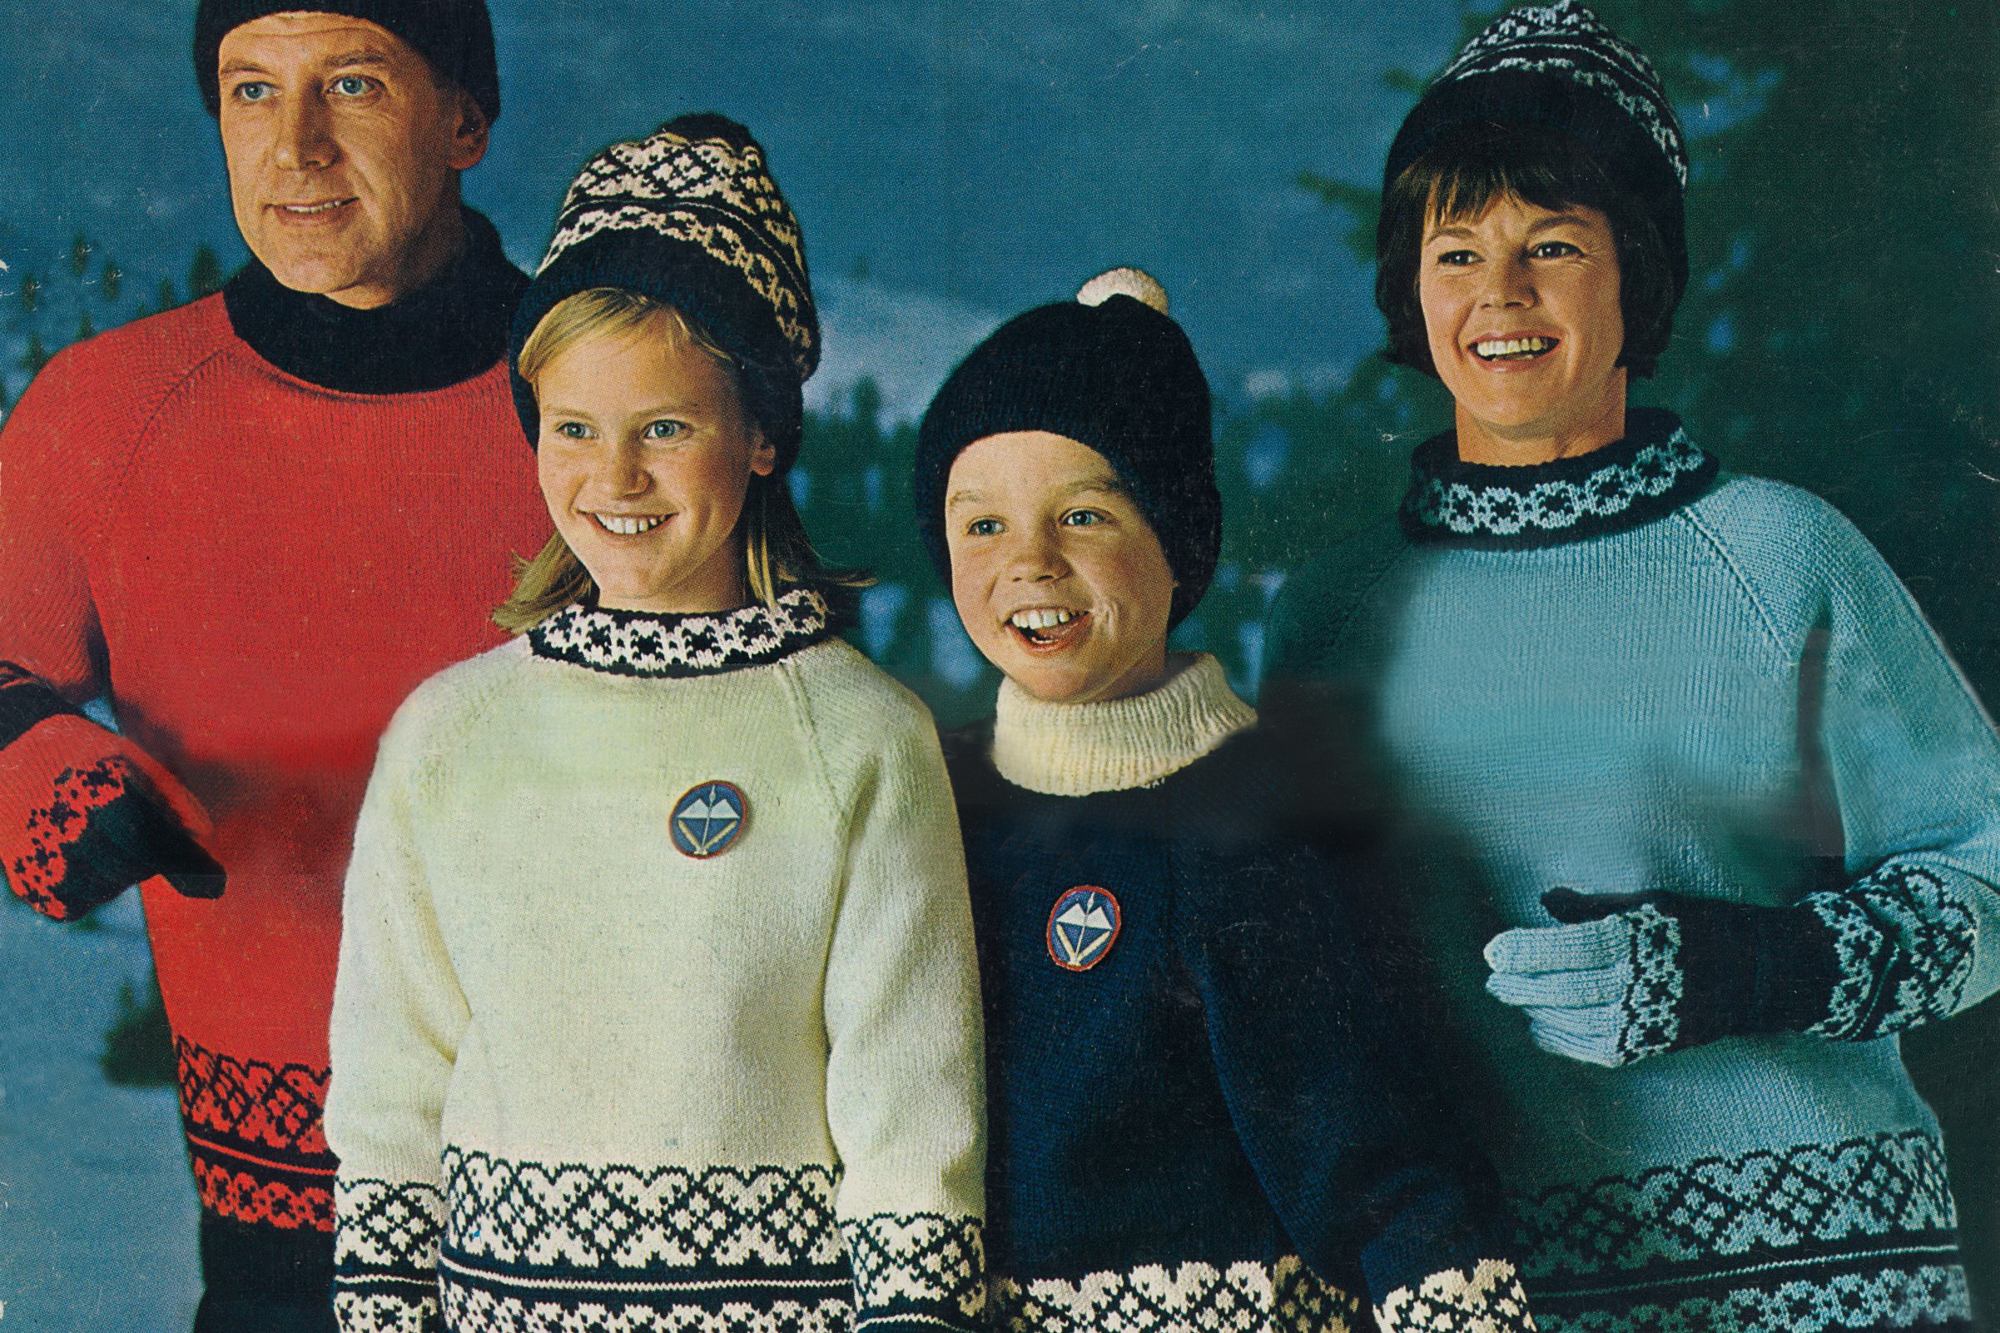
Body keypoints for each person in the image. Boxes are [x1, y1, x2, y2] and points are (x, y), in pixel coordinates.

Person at [1261, 5, 2000, 1332]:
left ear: (1635, 275)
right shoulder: (1327, 615)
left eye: (1554, 245)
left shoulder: (1778, 552)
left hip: (1827, 1282)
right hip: (1500, 1297)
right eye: (1457, 250)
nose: (1501, 294)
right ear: (1408, 286)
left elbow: (1988, 867)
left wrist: (1749, 970)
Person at [323, 114, 987, 1333]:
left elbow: (909, 1099)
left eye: (665, 429)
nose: (613, 477)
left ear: (764, 436)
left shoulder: (858, 738)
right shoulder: (450, 732)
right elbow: (390, 1079)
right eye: (573, 428)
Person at [0, 3, 545, 1327]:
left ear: (465, 120)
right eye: (251, 91)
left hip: (598, 1177)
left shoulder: (604, 405)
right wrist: (44, 772)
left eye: (351, 85)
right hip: (275, 1219)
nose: (294, 146)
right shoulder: (104, 410)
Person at [913, 266, 1538, 1333]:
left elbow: (1383, 1153)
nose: (1028, 563)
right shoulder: (931, 797)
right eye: (980, 526)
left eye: (1081, 513)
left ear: (1176, 540)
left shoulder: (1256, 822)